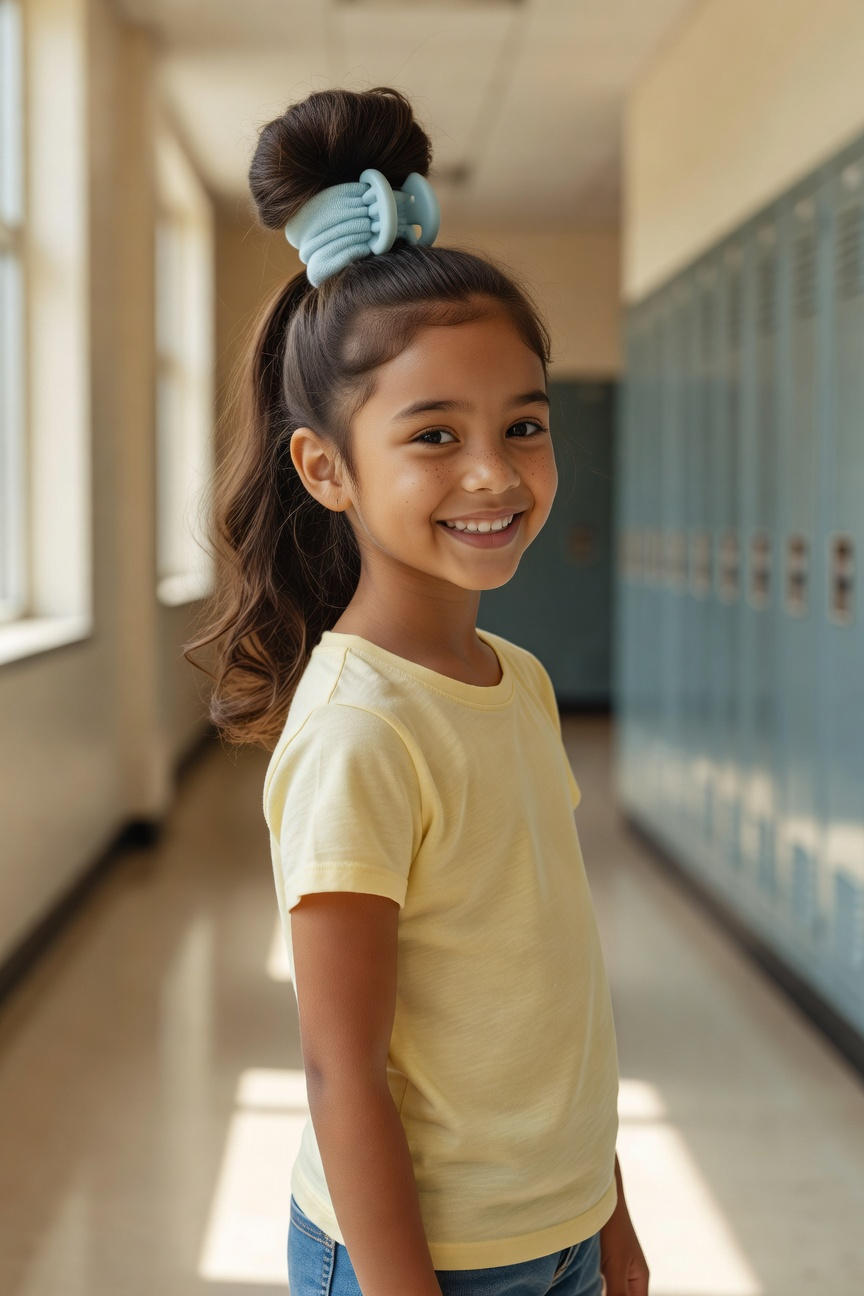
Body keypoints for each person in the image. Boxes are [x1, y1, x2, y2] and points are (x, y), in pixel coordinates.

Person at [187, 85, 649, 1296]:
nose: (496, 473)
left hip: (554, 1227)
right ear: (327, 467)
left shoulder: (520, 681)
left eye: (526, 424)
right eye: (434, 435)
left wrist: (607, 1206)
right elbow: (344, 1072)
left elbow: (549, 982)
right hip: (427, 1261)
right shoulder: (360, 734)